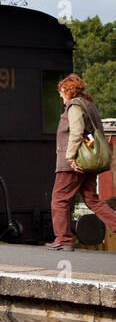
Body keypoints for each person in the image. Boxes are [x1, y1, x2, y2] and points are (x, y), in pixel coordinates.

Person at [46, 73, 116, 251]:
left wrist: (69, 158)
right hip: (90, 163)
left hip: (75, 163)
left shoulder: (74, 106)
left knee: (59, 199)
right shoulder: (89, 105)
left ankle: (63, 240)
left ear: (69, 91)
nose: (61, 95)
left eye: (62, 91)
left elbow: (76, 132)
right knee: (92, 200)